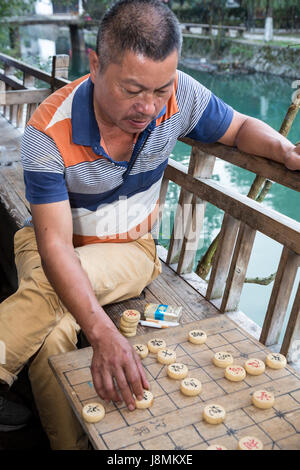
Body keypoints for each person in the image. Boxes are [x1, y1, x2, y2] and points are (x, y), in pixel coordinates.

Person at [0, 0, 299, 450]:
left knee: (52, 296)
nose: (149, 107)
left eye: (161, 90)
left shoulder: (180, 96)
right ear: (96, 64)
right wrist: (101, 332)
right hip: (45, 245)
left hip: (129, 249)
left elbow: (237, 128)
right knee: (56, 327)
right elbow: (56, 247)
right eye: (133, 89)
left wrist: (285, 152)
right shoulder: (47, 131)